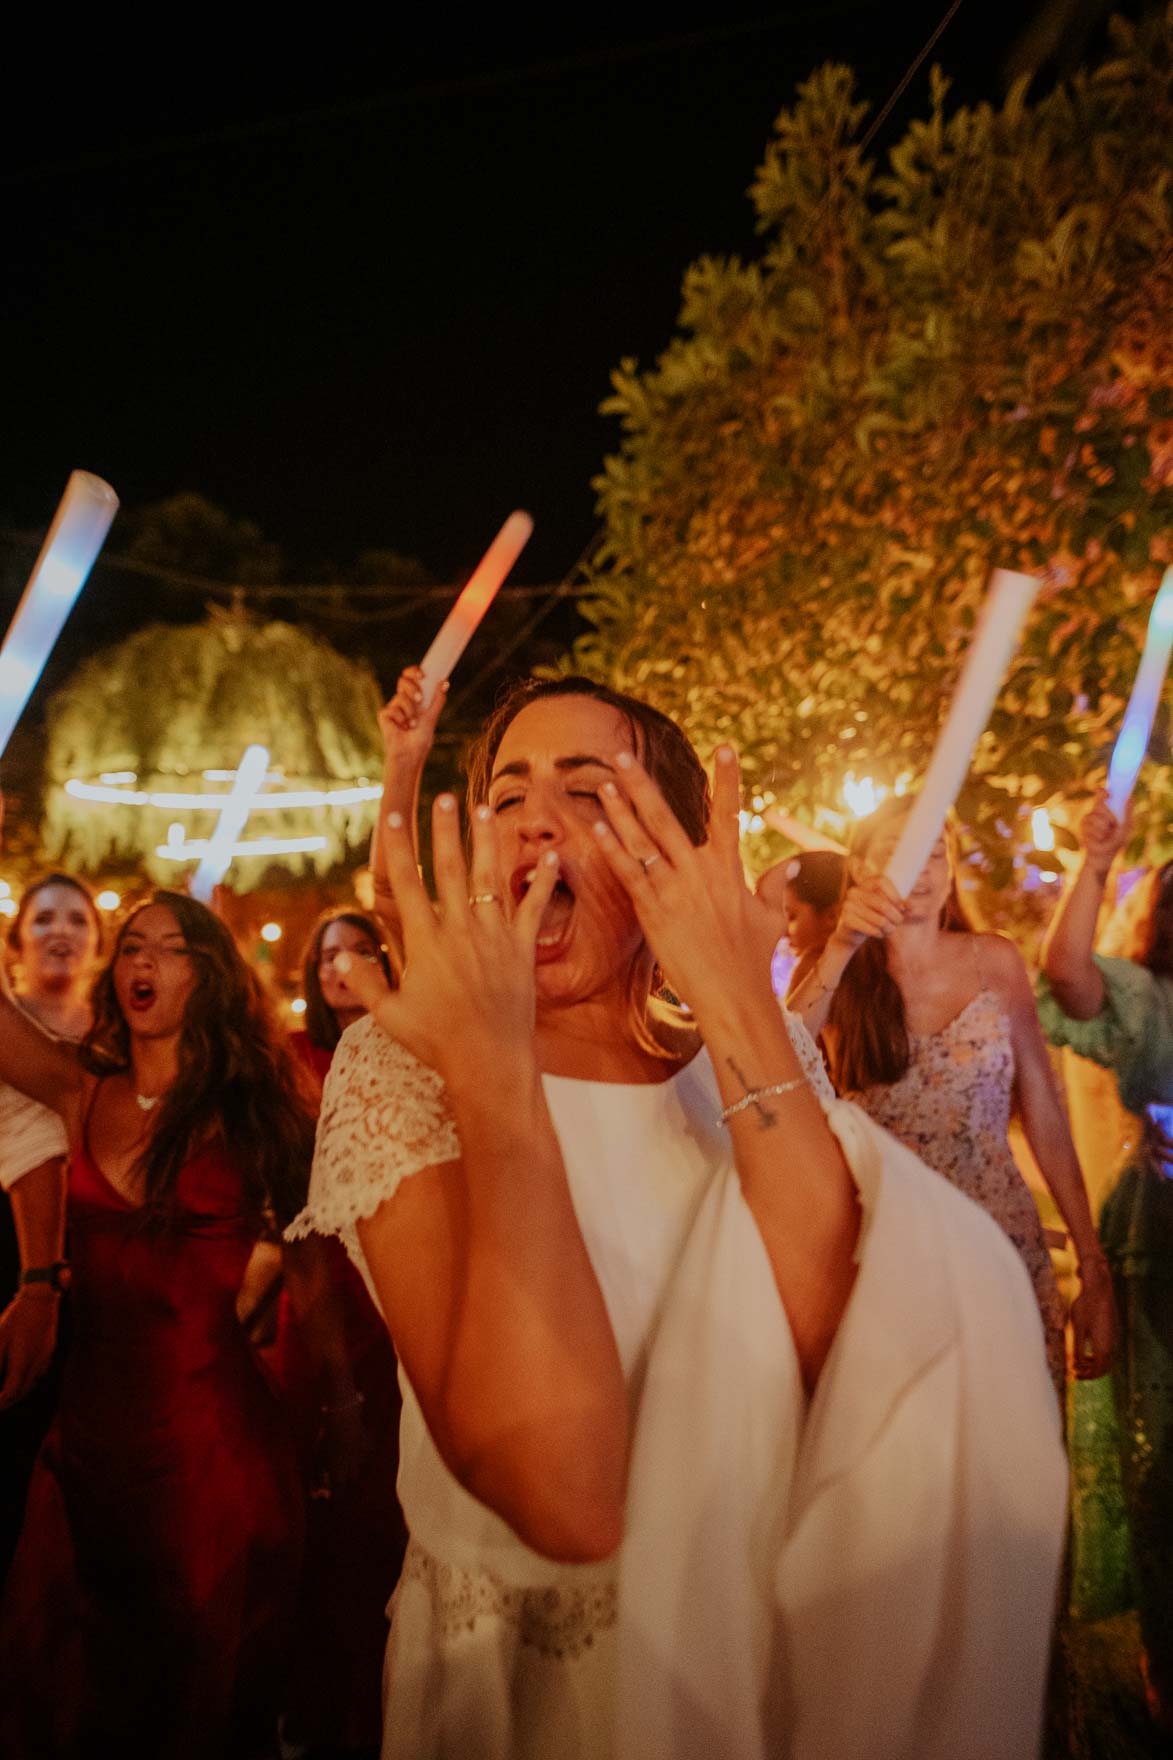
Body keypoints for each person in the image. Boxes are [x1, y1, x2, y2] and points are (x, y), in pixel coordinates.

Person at [289, 675, 1067, 1760]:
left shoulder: (756, 1053)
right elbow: (563, 1497)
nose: (535, 817)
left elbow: (831, 1345)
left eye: (589, 788)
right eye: (508, 793)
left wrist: (737, 993)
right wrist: (493, 1064)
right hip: (525, 1685)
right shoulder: (408, 1064)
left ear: (679, 849)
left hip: (751, 1644)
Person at [0, 890, 313, 1759]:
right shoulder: (77, 1086)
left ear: (206, 975)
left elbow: (313, 1264)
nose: (142, 964)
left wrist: (344, 1398)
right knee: (64, 1693)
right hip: (86, 1449)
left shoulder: (254, 1112)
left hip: (209, 1460)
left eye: (168, 950)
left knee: (196, 1710)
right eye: (131, 946)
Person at [788, 796, 1114, 1399]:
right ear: (859, 870)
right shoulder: (835, 968)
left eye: (934, 851)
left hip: (997, 1231)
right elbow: (777, 1059)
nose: (919, 864)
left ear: (951, 869)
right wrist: (842, 944)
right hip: (884, 1238)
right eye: (894, 850)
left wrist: (1092, 1265)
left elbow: (1043, 1107)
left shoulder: (995, 960)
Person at [1037, 790, 1173, 1730]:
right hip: (1162, 1241)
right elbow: (1068, 974)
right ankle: (1168, 1648)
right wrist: (1091, 866)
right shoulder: (1150, 1003)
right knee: (1165, 1460)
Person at [278, 906, 407, 1758]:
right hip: (322, 1285)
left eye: (360, 950)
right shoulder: (291, 1062)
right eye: (327, 954)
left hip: (397, 1290)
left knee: (391, 1510)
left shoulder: (412, 1048)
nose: (341, 966)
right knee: (320, 1503)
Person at [0, 874, 101, 1584]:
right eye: (44, 920)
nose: (60, 930)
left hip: (102, 1265)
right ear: (18, 944)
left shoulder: (121, 1036)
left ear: (98, 944)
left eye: (76, 919)